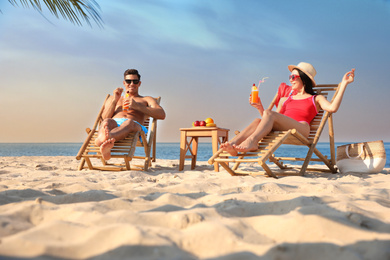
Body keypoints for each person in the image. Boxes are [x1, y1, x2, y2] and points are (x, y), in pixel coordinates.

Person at [220, 62, 355, 156]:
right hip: (284, 128)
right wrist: (260, 107)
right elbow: (270, 121)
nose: (290, 80)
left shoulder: (315, 98)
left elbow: (332, 108)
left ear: (303, 79)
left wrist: (344, 84)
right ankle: (232, 145)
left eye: (293, 77)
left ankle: (252, 141)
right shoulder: (285, 99)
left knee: (268, 114)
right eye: (289, 77)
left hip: (301, 129)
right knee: (257, 120)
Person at [95, 69, 166, 160]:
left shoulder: (146, 99)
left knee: (128, 122)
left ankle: (104, 139)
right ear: (124, 83)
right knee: (106, 121)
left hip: (134, 126)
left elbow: (162, 114)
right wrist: (114, 100)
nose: (132, 84)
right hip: (115, 124)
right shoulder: (114, 98)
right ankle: (105, 147)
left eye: (135, 81)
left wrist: (138, 106)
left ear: (139, 83)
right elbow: (103, 119)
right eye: (128, 81)